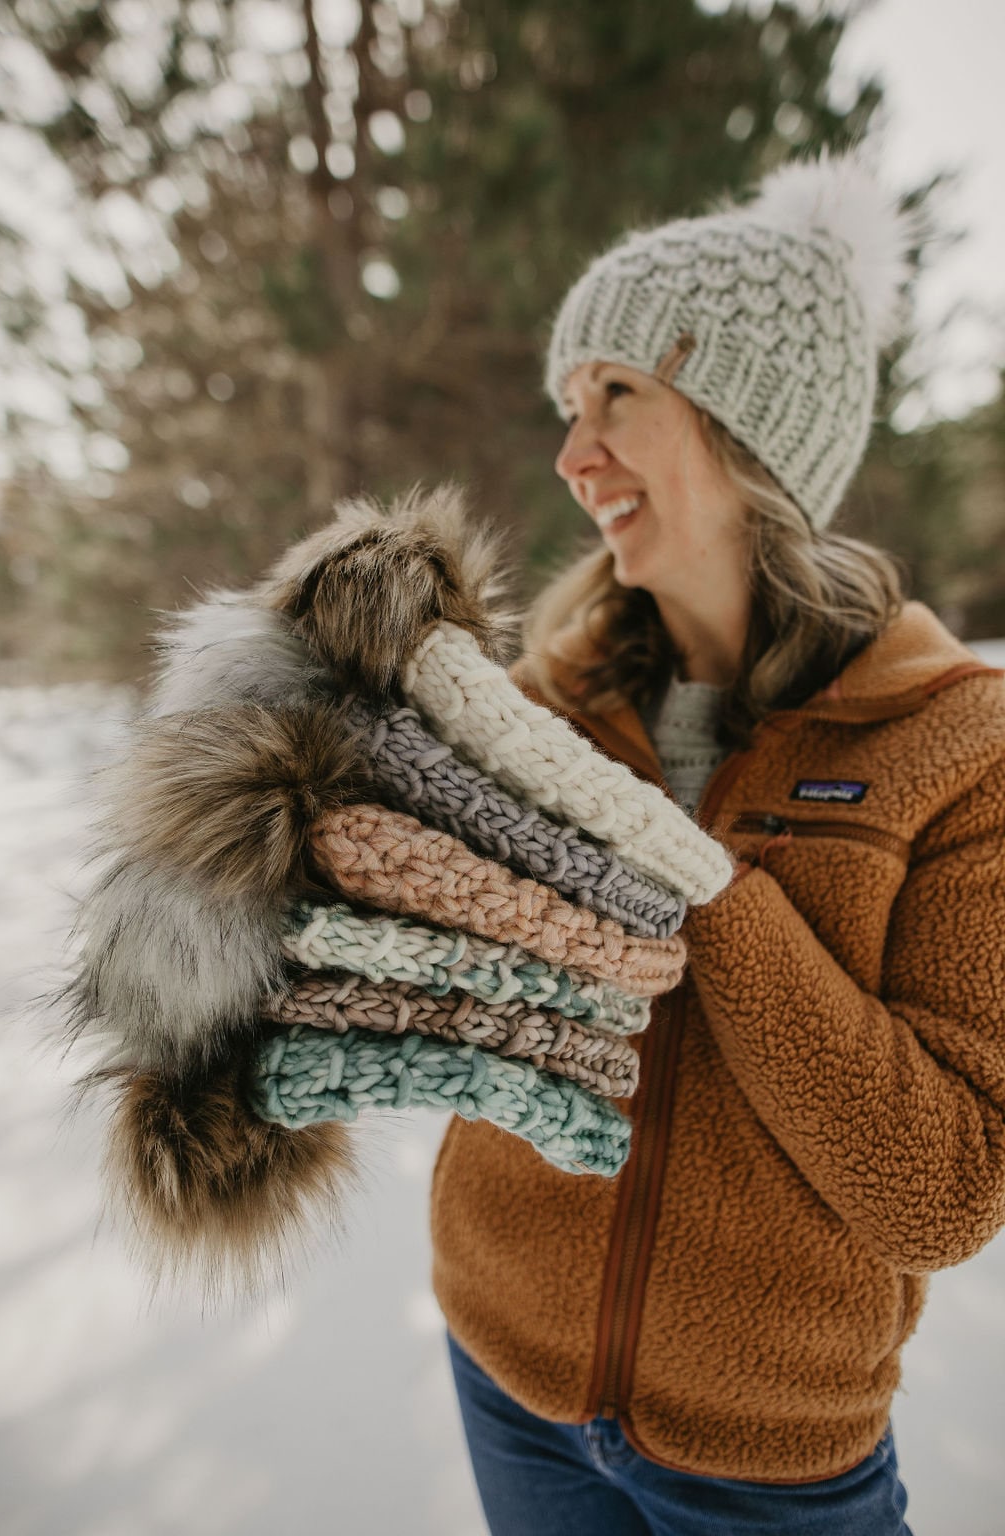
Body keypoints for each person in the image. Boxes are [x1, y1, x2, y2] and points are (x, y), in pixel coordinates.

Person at [428, 153, 1005, 1536]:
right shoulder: (541, 709)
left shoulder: (955, 744)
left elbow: (942, 1190)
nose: (574, 457)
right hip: (505, 1367)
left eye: (618, 394)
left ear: (755, 432)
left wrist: (706, 892)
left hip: (771, 1461)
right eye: (570, 409)